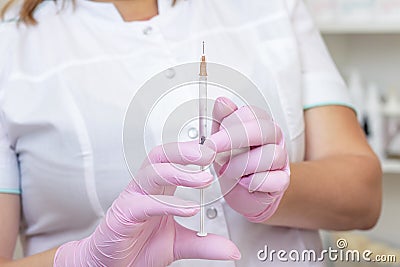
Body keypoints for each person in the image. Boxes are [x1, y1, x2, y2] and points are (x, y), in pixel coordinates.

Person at [0, 0, 382, 266]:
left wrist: (270, 186)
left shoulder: (271, 6)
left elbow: (364, 199)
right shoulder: (11, 46)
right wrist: (84, 261)